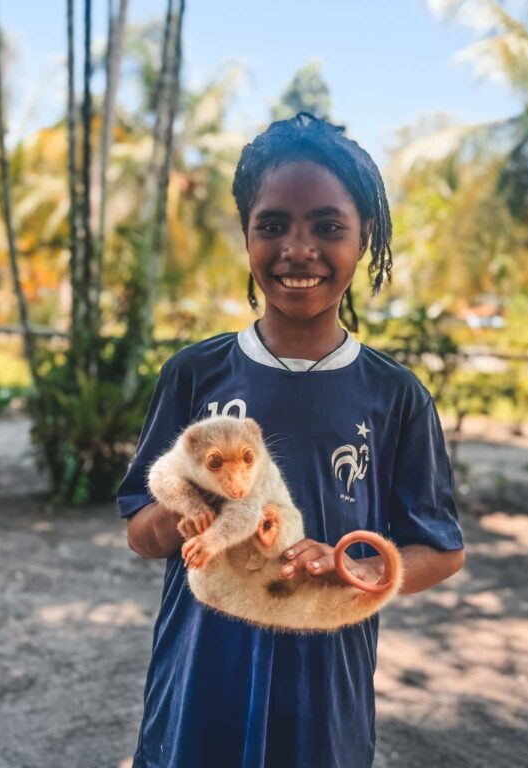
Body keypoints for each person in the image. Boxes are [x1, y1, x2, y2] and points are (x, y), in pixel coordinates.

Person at [118, 111, 465, 768]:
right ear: (247, 236)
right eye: (272, 224)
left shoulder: (395, 397)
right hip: (199, 686)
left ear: (363, 239)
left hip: (324, 699)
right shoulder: (194, 374)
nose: (298, 249)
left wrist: (360, 571)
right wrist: (195, 509)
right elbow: (140, 531)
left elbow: (439, 549)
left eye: (327, 226)